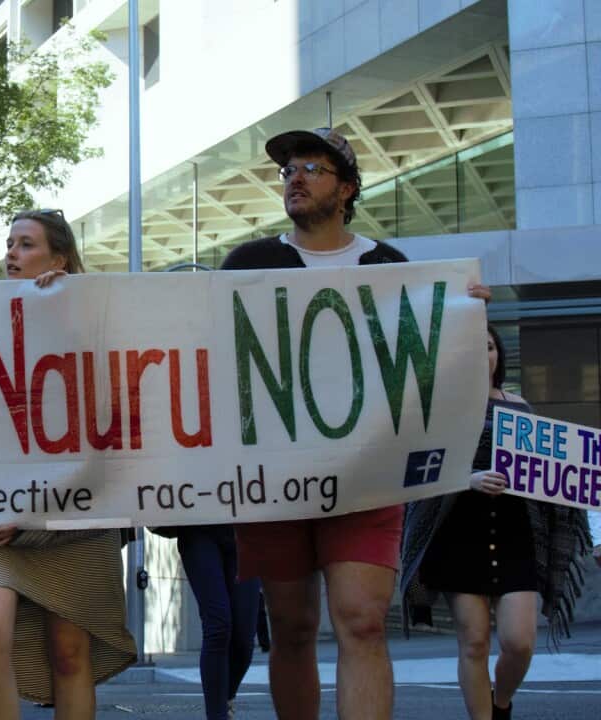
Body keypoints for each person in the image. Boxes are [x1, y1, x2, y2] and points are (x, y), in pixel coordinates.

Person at [220, 127, 491, 720]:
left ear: (346, 188)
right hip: (275, 479)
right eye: (288, 169)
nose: (294, 176)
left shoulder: (388, 267)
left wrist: (466, 313)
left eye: (312, 168)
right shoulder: (247, 264)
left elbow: (431, 361)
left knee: (364, 621)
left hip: (369, 474)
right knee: (291, 627)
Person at [0, 209, 136, 719]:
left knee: (70, 653)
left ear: (59, 258)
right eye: (9, 243)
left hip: (73, 511)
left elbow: (113, 418)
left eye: (26, 244)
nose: (11, 254)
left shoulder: (93, 321)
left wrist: (70, 307)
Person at [400, 326, 594, 720]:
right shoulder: (438, 409)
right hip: (458, 535)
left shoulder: (519, 406)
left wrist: (593, 535)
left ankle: (500, 702)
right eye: (473, 347)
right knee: (472, 642)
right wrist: (467, 480)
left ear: (498, 355)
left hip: (514, 535)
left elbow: (558, 475)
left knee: (519, 642)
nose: (484, 355)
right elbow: (417, 469)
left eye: (489, 347)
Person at [176, 525, 260, 720]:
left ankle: (226, 698)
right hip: (197, 526)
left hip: (246, 527)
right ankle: (217, 714)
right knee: (217, 624)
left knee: (244, 640)